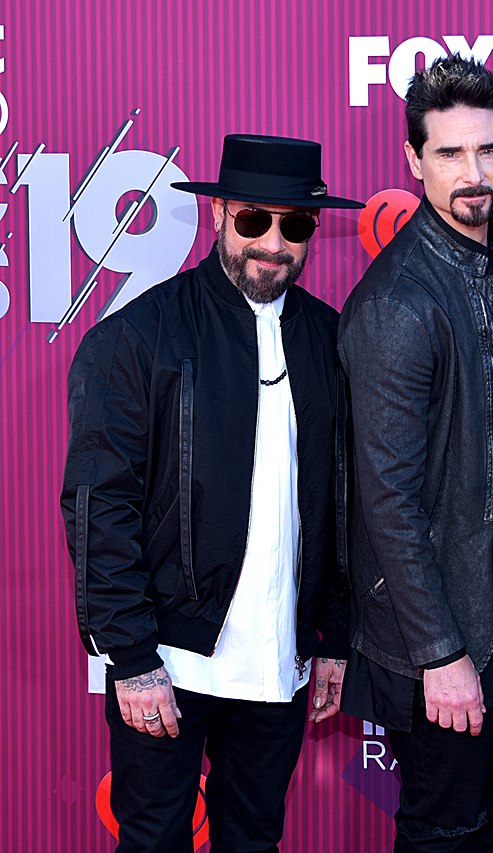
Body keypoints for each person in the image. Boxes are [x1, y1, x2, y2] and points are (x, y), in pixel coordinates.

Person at [62, 133, 359, 852]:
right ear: (219, 213)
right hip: (169, 657)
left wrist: (336, 638)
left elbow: (345, 503)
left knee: (253, 838)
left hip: (278, 660)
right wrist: (131, 659)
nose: (274, 243)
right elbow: (100, 507)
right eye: (255, 220)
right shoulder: (138, 338)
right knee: (156, 839)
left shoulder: (329, 338)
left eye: (295, 225)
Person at [338, 55, 493, 852]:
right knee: (443, 825)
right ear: (413, 159)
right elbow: (384, 496)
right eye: (451, 153)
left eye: (488, 150)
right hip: (444, 624)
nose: (474, 173)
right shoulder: (397, 302)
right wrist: (441, 653)